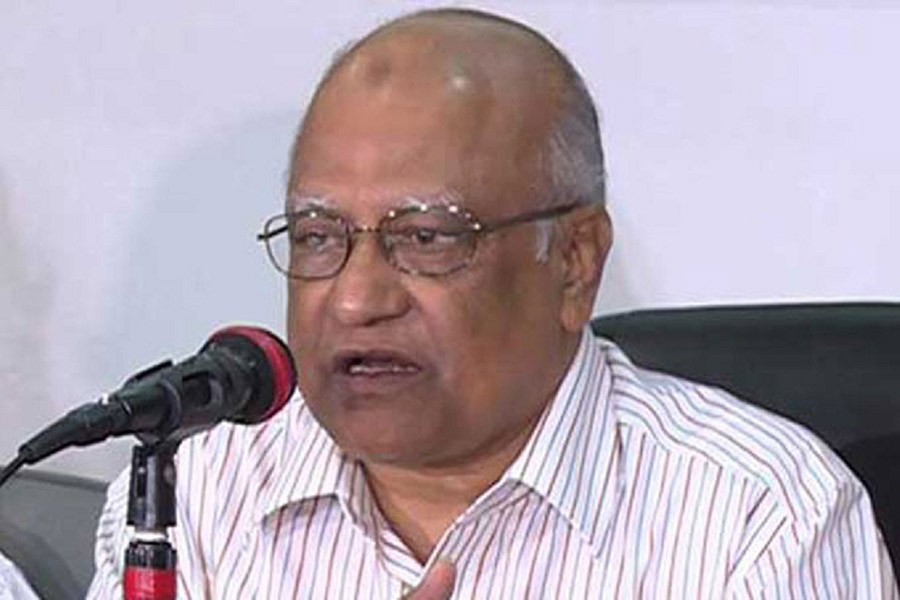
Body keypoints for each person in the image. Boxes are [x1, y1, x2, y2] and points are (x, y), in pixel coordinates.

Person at [88, 8, 898, 598]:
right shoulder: (198, 494)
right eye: (318, 236)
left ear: (574, 263)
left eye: (427, 238)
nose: (357, 299)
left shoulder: (760, 518)